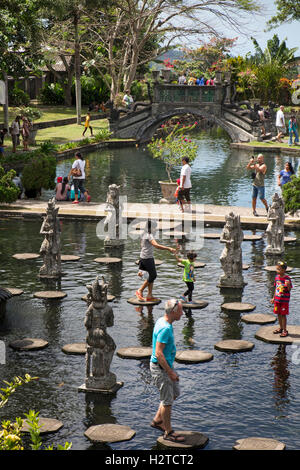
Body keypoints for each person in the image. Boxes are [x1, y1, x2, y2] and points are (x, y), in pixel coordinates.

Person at [150, 298, 185, 443]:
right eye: (181, 310)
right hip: (162, 369)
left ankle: (158, 419)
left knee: (174, 393)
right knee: (167, 401)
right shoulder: (165, 328)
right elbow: (158, 353)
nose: (183, 313)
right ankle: (168, 432)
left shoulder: (163, 321)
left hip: (166, 367)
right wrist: (170, 372)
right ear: (174, 311)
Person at [135, 220, 176, 302]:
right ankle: (140, 290)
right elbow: (156, 245)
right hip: (147, 258)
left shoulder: (144, 234)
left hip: (145, 257)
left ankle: (149, 295)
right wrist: (168, 248)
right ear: (150, 227)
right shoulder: (149, 235)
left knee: (151, 276)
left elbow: (141, 245)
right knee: (153, 275)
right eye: (155, 227)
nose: (156, 229)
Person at [271, 261, 292, 338]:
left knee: (283, 315)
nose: (277, 271)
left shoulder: (287, 279)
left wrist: (288, 285)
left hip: (284, 301)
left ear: (284, 270)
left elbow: (289, 290)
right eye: (277, 269)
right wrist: (273, 298)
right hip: (277, 300)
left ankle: (285, 330)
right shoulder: (276, 277)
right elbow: (276, 288)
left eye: (279, 269)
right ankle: (281, 328)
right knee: (278, 314)